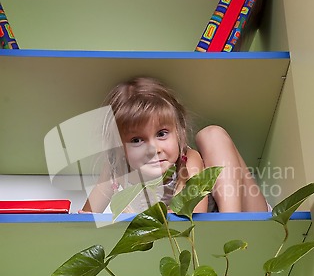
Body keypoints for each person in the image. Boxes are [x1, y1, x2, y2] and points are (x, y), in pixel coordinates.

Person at [81, 76, 268, 213]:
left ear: (178, 131)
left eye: (161, 134)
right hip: (190, 243)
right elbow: (88, 217)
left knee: (212, 135)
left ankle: (229, 224)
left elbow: (193, 213)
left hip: (246, 213)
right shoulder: (116, 167)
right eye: (137, 140)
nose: (154, 150)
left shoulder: (188, 161)